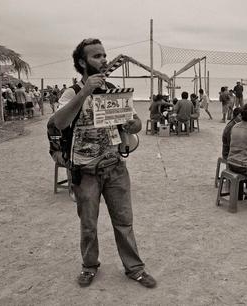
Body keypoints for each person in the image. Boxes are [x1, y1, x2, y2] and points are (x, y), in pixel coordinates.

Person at [50, 38, 156, 288]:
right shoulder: (72, 93)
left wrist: (134, 125)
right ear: (82, 62)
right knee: (88, 225)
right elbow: (59, 122)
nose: (104, 60)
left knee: (124, 221)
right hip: (85, 170)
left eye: (104, 55)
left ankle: (135, 268)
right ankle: (89, 266)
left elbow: (136, 123)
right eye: (97, 56)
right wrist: (85, 91)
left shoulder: (113, 90)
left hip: (115, 167)